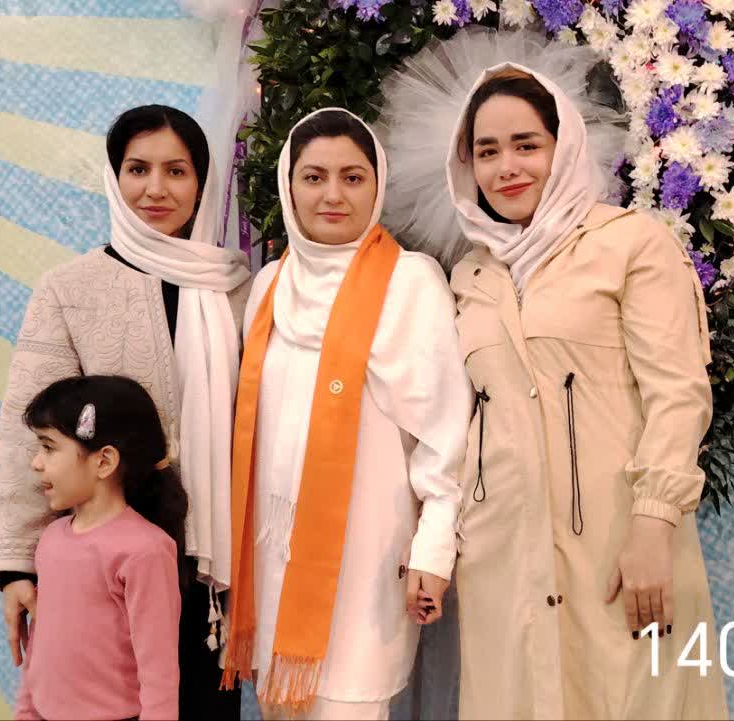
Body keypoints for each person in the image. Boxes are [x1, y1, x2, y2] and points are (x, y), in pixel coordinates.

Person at [445, 64, 729, 719]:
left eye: (526, 145)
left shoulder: (630, 244)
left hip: (620, 546)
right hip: (503, 561)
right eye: (487, 152)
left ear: (563, 146)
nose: (507, 167)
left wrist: (653, 522)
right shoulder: (470, 276)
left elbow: (678, 393)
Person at [0, 105, 249, 718]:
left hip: (217, 561)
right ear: (114, 176)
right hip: (105, 561)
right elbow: (27, 433)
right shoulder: (70, 288)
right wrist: (17, 566)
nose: (156, 189)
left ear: (203, 183)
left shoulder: (237, 288)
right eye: (137, 169)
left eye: (176, 171)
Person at [218, 108, 471, 721]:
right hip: (272, 563)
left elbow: (445, 438)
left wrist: (434, 550)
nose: (332, 195)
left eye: (352, 178)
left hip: (367, 566)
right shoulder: (270, 285)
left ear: (377, 187)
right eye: (314, 177)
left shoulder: (410, 283)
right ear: (289, 186)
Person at [14, 375, 186, 720]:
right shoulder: (51, 538)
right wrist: (26, 712)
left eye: (48, 447)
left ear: (104, 461)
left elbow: (159, 673)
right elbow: (40, 643)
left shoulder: (146, 551)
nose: (36, 462)